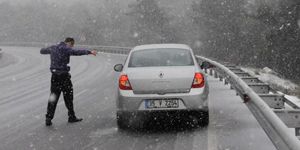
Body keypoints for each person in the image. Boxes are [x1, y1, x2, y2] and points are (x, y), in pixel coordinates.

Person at [40, 37, 97, 126]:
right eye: (72, 45)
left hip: (54, 76)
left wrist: (50, 48)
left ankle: (48, 118)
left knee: (53, 97)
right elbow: (77, 52)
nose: (72, 47)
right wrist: (89, 52)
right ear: (69, 43)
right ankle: (71, 116)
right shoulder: (66, 48)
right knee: (68, 97)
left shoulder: (54, 47)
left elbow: (42, 51)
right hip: (64, 76)